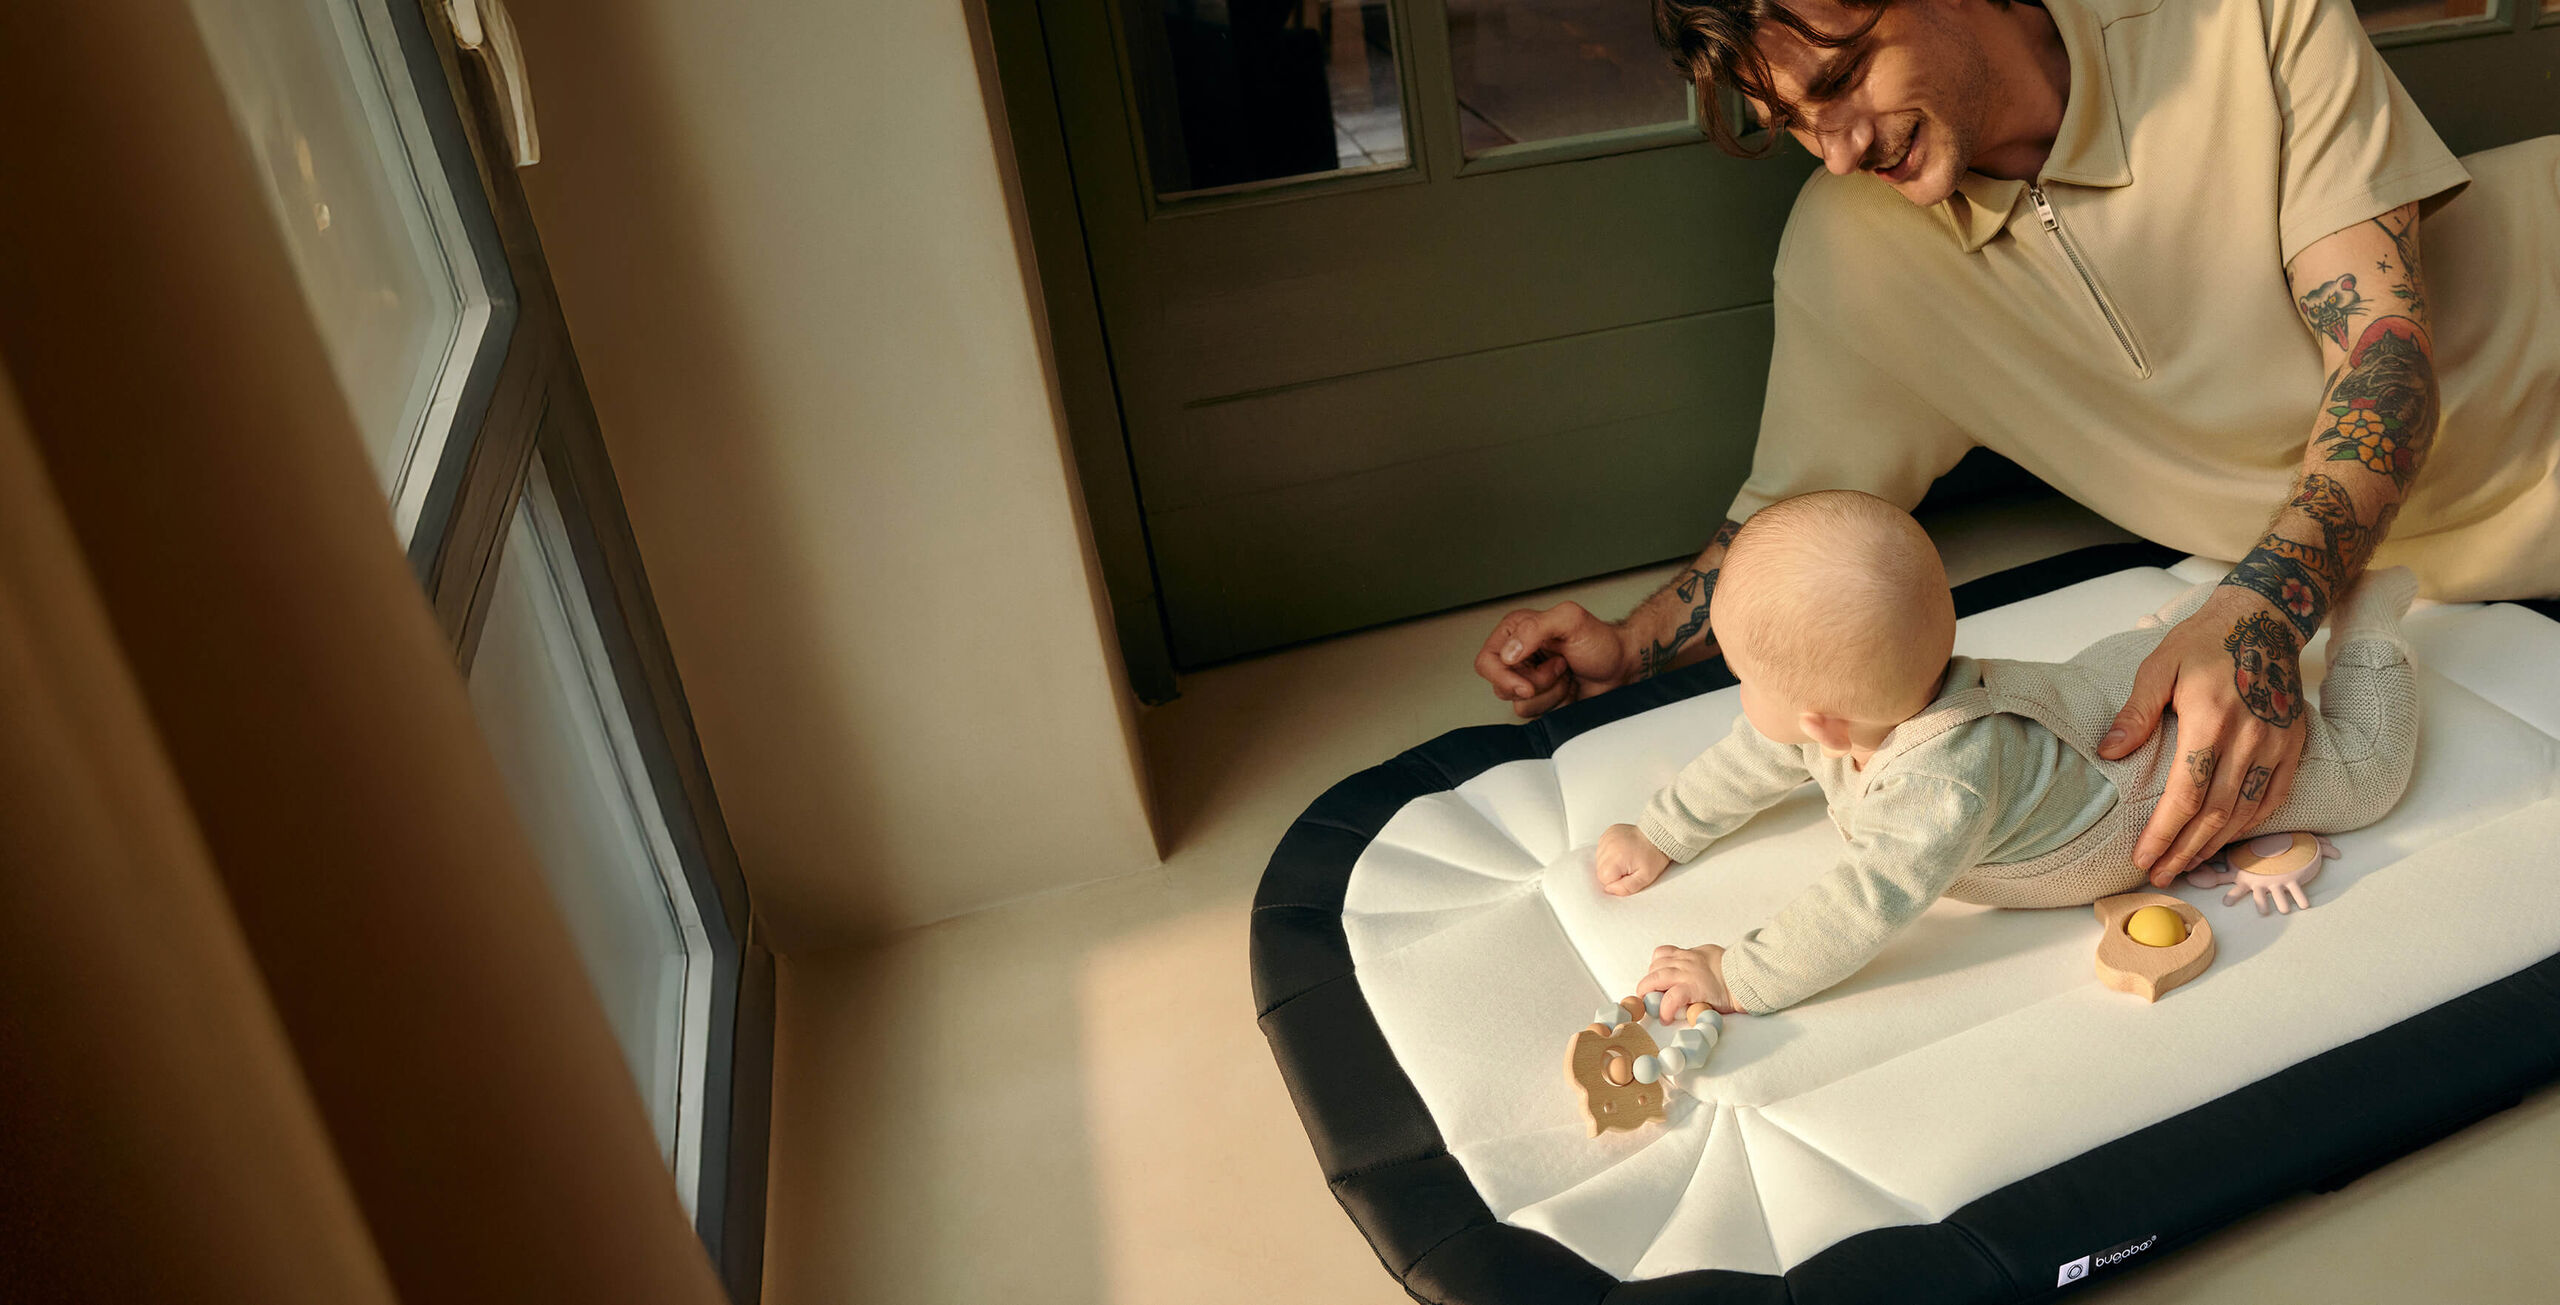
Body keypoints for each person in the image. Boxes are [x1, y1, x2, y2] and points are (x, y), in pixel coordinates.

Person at [1473, 0, 2559, 889]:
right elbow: (1788, 537)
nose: (1840, 148)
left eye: (1845, 77)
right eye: (1799, 120)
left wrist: (2263, 607)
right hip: (2445, 583)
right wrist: (1627, 641)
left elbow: (2381, 357)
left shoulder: (2244, 17)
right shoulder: (1853, 257)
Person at [1596, 491, 2418, 1015]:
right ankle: (2197, 619)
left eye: (1744, 679)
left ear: (1825, 723)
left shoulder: (1938, 787)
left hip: (2143, 779)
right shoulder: (1842, 720)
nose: (1743, 701)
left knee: (2367, 773)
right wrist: (1662, 831)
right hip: (2098, 684)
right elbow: (1754, 757)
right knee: (2149, 650)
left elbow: (1859, 904)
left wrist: (1737, 974)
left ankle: (2370, 626)